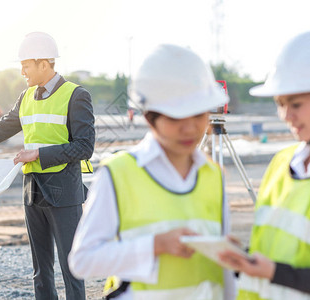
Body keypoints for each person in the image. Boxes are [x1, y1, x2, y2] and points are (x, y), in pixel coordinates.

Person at [68, 44, 235, 299]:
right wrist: (155, 246)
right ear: (149, 117)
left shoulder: (213, 176)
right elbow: (83, 261)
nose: (190, 129)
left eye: (198, 115)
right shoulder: (119, 174)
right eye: (176, 118)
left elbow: (223, 278)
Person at [0, 32, 95, 300]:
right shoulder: (26, 97)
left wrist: (38, 154)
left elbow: (85, 147)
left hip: (64, 193)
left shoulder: (76, 95)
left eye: (26, 65)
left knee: (71, 269)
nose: (22, 71)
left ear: (44, 64)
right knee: (41, 272)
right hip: (33, 192)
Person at [219, 31, 310, 299]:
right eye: (280, 104)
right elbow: (277, 246)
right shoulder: (282, 162)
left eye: (295, 104)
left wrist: (273, 272)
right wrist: (243, 259)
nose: (285, 115)